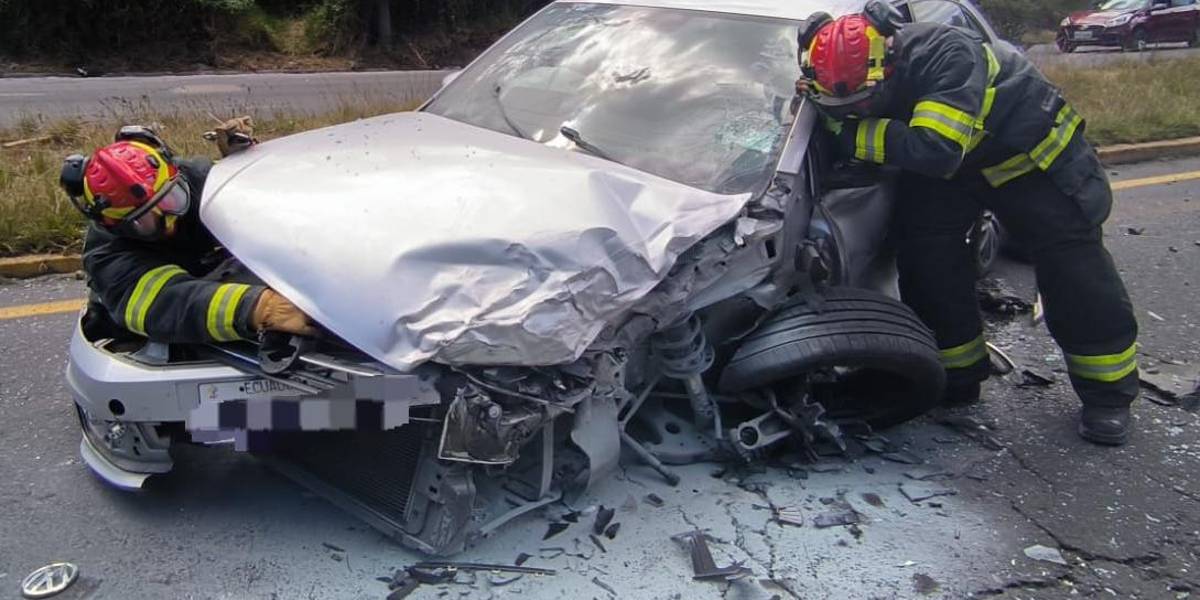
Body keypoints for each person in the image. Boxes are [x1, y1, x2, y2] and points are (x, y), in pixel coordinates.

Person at [795, 1, 1139, 445]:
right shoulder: (842, 69)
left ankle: (1107, 395)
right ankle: (957, 379)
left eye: (861, 98)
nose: (853, 108)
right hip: (959, 168)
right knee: (925, 255)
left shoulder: (947, 56)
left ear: (889, 62)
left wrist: (846, 134)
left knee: (1074, 270)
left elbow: (934, 149)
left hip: (1029, 161)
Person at [59, 124, 316, 345]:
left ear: (174, 174)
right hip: (163, 340)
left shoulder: (191, 177)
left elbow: (266, 208)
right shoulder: (109, 258)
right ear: (116, 225)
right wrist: (257, 307)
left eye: (172, 200)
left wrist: (242, 170)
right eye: (147, 221)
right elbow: (169, 304)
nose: (170, 220)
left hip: (212, 271)